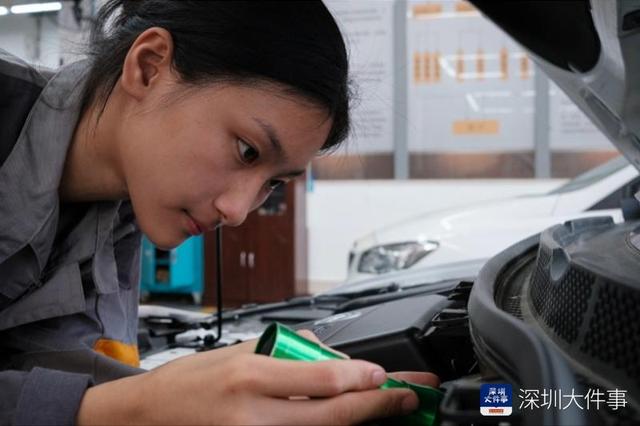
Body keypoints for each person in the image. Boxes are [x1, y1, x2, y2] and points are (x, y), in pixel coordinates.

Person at [0, 1, 439, 424]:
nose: (237, 212)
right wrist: (137, 406)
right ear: (149, 66)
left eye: (273, 183)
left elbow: (58, 379)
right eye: (247, 151)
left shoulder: (119, 214)